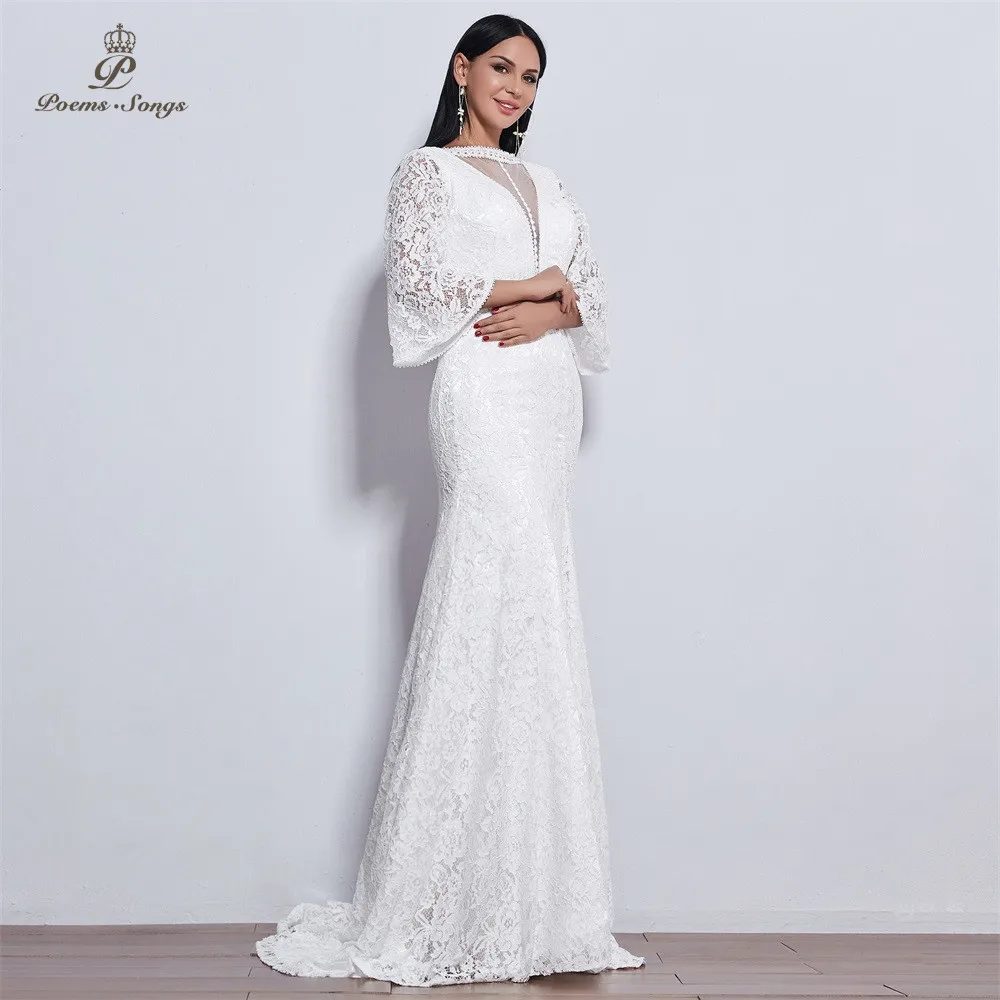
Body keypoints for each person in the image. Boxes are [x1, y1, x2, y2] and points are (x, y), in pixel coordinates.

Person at [255, 14, 645, 988]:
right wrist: (542, 286)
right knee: (481, 594)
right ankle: (436, 895)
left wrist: (551, 299)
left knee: (539, 605)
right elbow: (425, 286)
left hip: (548, 400)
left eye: (532, 76)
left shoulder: (550, 183)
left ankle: (540, 897)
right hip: (481, 395)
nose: (516, 86)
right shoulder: (425, 174)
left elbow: (594, 299)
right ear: (462, 69)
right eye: (501, 67)